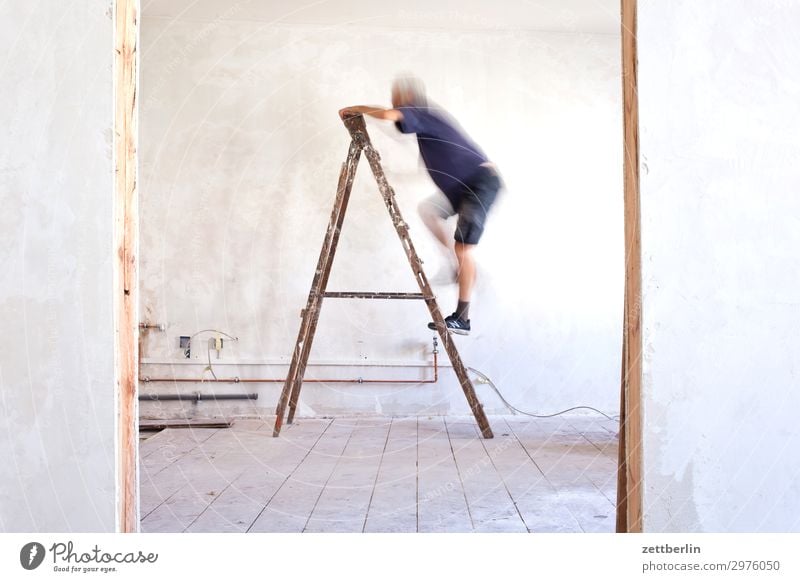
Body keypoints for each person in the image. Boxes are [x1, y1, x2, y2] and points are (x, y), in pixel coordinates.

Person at [339, 76, 501, 335]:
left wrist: (358, 109)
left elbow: (390, 115)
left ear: (407, 97)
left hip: (480, 184)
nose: (394, 102)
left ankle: (462, 317)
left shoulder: (418, 112)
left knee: (463, 249)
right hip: (463, 190)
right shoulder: (425, 122)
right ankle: (456, 265)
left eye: (396, 96)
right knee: (429, 211)